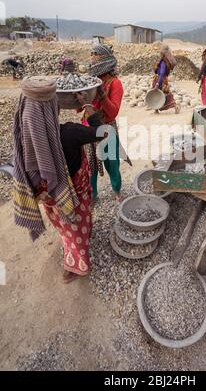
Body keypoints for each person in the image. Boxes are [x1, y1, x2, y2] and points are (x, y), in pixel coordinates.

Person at [13, 76, 107, 284]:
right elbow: (102, 132)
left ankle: (71, 242)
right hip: (73, 195)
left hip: (51, 198)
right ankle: (75, 264)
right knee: (75, 227)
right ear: (53, 106)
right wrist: (87, 104)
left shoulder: (23, 140)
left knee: (64, 225)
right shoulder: (70, 133)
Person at [79, 44, 124, 201]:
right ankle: (93, 195)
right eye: (91, 55)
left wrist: (101, 95)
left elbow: (113, 113)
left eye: (95, 55)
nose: (92, 58)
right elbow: (78, 109)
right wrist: (79, 98)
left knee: (112, 163)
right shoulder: (91, 81)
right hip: (87, 129)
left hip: (106, 129)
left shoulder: (115, 83)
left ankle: (117, 189)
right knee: (90, 166)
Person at [152, 45, 180, 114]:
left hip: (160, 80)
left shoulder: (163, 62)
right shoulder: (167, 61)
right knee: (165, 94)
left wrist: (158, 83)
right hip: (164, 80)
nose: (160, 54)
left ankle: (174, 106)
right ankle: (157, 109)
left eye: (161, 52)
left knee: (158, 94)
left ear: (163, 53)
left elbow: (161, 73)